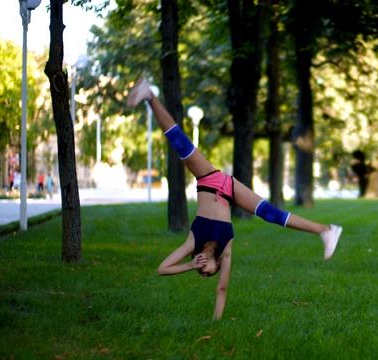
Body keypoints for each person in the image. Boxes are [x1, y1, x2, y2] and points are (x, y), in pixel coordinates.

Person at [127, 78, 342, 320]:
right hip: (230, 189)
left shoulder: (192, 243)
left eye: (202, 274)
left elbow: (162, 269)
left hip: (208, 179)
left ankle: (150, 97)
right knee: (272, 215)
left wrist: (189, 266)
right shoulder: (226, 250)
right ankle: (326, 230)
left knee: (181, 145)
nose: (204, 273)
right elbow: (222, 289)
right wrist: (216, 323)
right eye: (209, 273)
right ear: (218, 265)